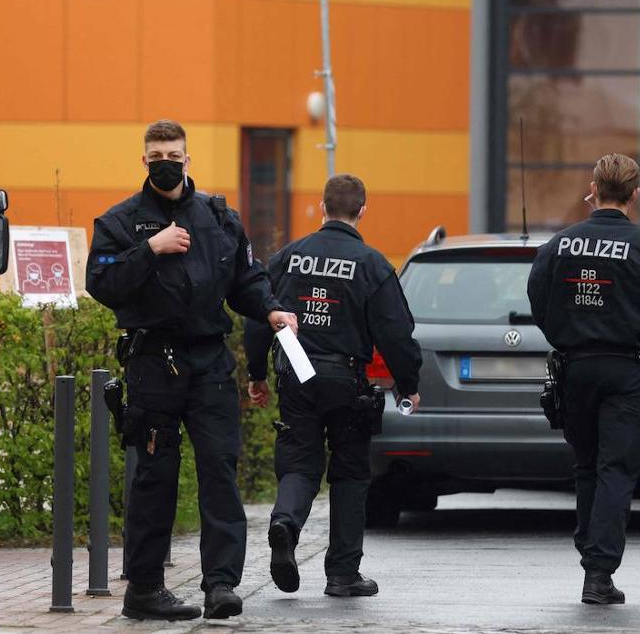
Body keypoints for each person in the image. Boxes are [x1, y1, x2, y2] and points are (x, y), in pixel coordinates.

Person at [86, 119, 298, 622]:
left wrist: (269, 309)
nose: (166, 163)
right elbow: (101, 282)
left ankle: (221, 584)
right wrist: (150, 249)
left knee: (219, 471)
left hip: (209, 362)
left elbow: (246, 279)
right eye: (157, 156)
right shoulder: (120, 222)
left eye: (174, 156)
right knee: (154, 477)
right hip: (153, 362)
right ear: (144, 160)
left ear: (187, 159)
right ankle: (144, 589)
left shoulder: (218, 218)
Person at [526, 153, 640, 605]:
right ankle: (598, 573)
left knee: (587, 464)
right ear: (634, 194)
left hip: (575, 368)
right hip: (626, 370)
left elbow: (538, 300)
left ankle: (591, 554)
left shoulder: (558, 246)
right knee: (616, 468)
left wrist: (568, 333)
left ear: (593, 189)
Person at [243, 174, 422, 598]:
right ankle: (342, 574)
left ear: (323, 208)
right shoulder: (373, 265)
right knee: (350, 473)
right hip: (346, 381)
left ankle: (285, 523)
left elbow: (258, 315)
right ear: (363, 210)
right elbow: (396, 332)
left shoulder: (287, 258)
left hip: (297, 374)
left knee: (299, 464)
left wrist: (256, 373)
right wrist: (407, 383)